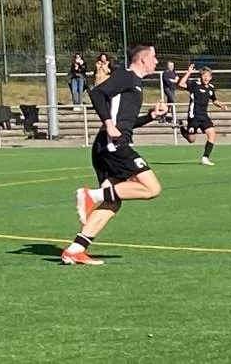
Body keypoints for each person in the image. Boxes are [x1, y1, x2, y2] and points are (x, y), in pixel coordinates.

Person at [64, 44, 167, 266]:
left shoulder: (135, 83)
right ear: (142, 59)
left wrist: (151, 116)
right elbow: (97, 93)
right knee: (152, 188)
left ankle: (75, 250)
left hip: (107, 144)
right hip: (113, 144)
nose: (156, 61)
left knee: (113, 202)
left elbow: (126, 123)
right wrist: (109, 124)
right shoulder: (126, 76)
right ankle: (90, 195)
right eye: (154, 57)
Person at [178, 64, 229, 165]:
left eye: (208, 76)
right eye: (204, 76)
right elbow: (181, 84)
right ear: (201, 76)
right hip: (193, 116)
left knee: (212, 134)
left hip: (204, 116)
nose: (206, 78)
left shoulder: (211, 88)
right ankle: (183, 130)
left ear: (211, 77)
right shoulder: (194, 85)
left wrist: (221, 105)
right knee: (191, 140)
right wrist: (189, 72)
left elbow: (214, 100)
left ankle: (205, 158)